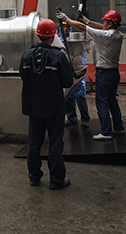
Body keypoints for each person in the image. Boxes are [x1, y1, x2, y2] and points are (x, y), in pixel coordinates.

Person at [19, 18, 74, 190]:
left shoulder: (27, 56)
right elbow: (68, 81)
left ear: (38, 35)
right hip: (54, 108)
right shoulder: (58, 56)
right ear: (53, 36)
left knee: (34, 142)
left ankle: (34, 177)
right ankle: (57, 180)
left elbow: (23, 76)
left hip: (34, 107)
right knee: (55, 143)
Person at [56, 9, 125, 140]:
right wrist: (88, 21)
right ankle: (119, 127)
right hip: (113, 73)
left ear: (110, 24)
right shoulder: (118, 34)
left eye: (105, 22)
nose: (103, 24)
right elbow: (101, 28)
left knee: (102, 103)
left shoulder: (105, 36)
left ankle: (106, 132)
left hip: (104, 74)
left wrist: (67, 19)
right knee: (112, 101)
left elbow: (83, 28)